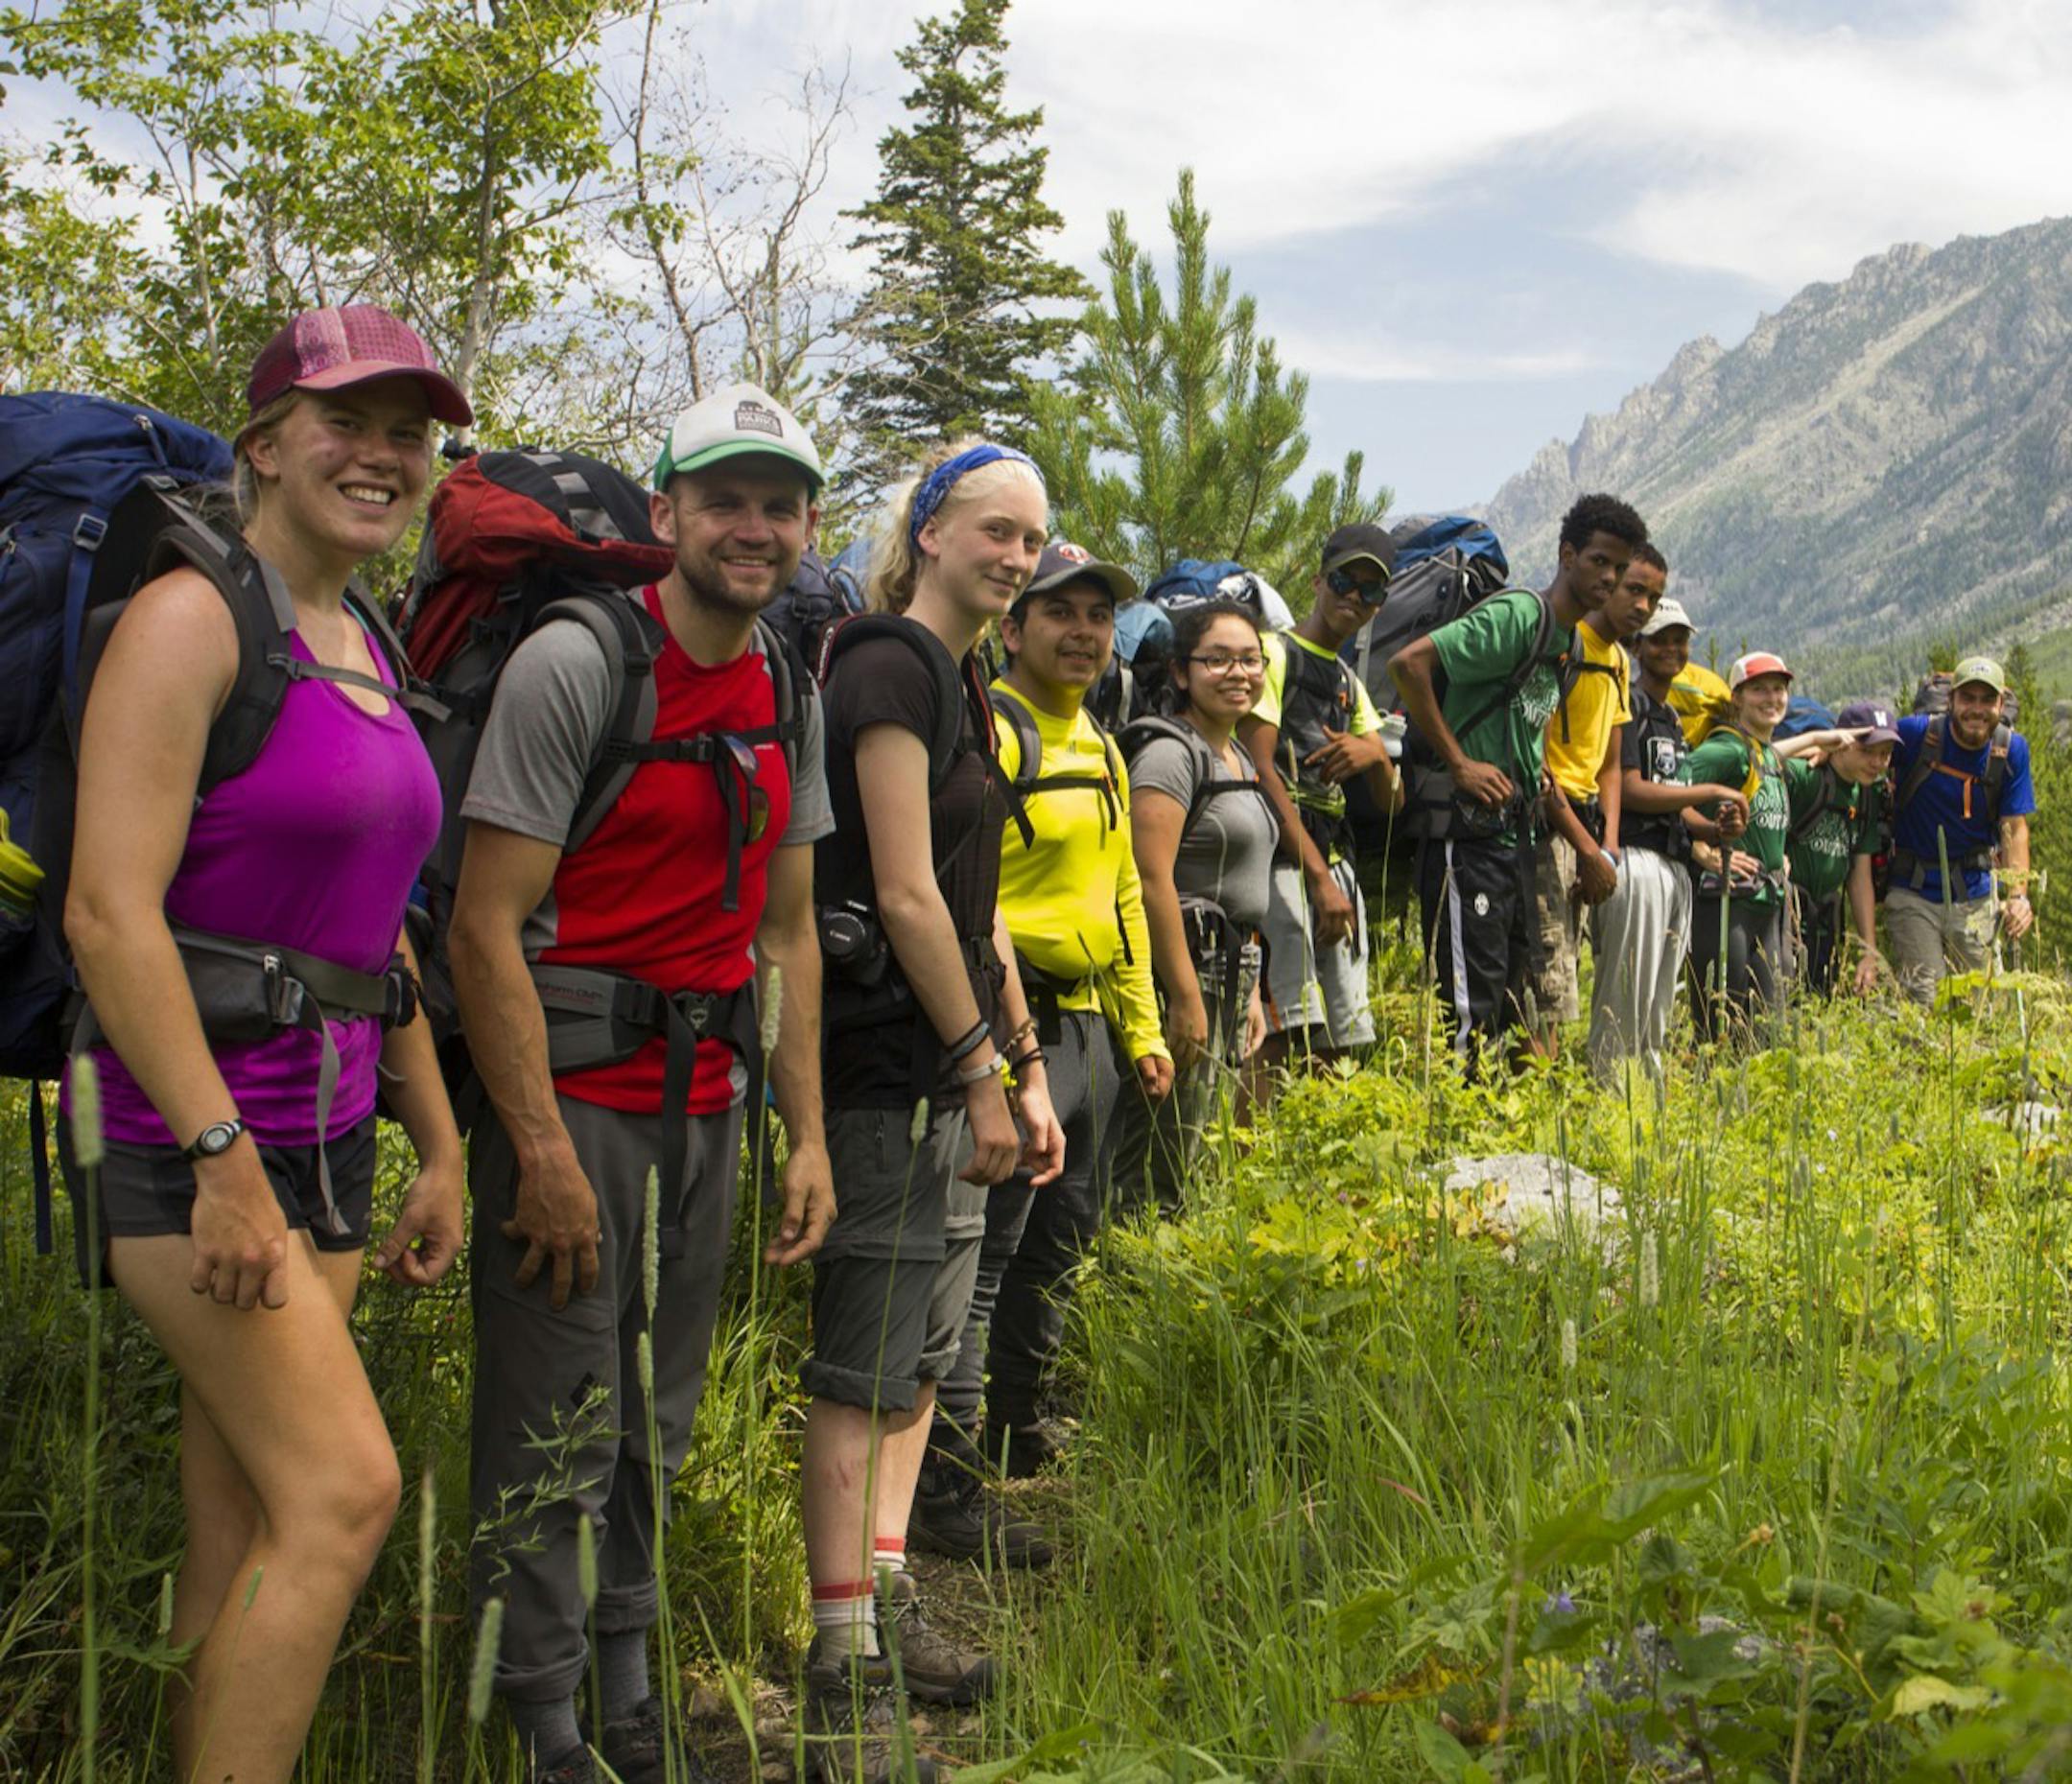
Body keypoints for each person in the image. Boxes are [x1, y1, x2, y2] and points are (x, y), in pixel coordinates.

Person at [59, 305, 467, 1782]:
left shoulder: (360, 639)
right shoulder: (190, 620)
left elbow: (377, 935)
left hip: (329, 1132)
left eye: (409, 431)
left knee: (243, 1529)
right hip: (194, 1139)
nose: (382, 455)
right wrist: (221, 1157)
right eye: (348, 422)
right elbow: (109, 913)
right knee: (349, 1497)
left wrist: (437, 1137)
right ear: (268, 443)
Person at [450, 383, 836, 1783]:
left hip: (712, 1100)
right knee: (557, 1416)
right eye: (724, 499)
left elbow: (784, 929)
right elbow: (483, 925)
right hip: (578, 1100)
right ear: (665, 514)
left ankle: (631, 1691)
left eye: (779, 503)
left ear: (807, 527)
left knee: (656, 1416)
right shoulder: (580, 662)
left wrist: (802, 1132)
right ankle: (541, 1719)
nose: (753, 526)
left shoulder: (787, 683)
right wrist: (537, 1149)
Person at [801, 439, 1064, 1781]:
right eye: (996, 531)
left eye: (1033, 539)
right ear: (931, 529)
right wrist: (976, 1066)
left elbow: (979, 908)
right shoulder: (888, 663)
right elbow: (901, 893)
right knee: (864, 1361)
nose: (1016, 557)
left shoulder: (963, 678)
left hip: (955, 1066)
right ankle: (838, 1643)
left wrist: (1023, 1066)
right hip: (884, 1071)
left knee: (918, 1356)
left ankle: (887, 1602)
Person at [915, 542, 1172, 1560]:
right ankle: (955, 1478)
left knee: (1057, 1246)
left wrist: (1142, 1028)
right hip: (1014, 1031)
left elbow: (1120, 896)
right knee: (982, 1261)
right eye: (1057, 613)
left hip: (1090, 1036)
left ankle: (1020, 1437)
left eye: (1098, 617)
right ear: (1010, 630)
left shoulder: (1105, 747)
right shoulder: (999, 736)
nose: (1082, 632)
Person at [1390, 493, 1642, 1064]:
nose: (1610, 576)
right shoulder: (1519, 617)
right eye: (1600, 561)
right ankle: (1455, 1140)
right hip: (1465, 839)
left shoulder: (1569, 643)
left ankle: (1498, 1143)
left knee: (1509, 1005)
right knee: (1470, 1010)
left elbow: (1533, 757)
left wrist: (1587, 848)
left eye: (1620, 568)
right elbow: (1408, 665)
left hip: (1513, 843)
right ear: (1567, 554)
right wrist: (1460, 762)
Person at [1111, 599, 1279, 1213]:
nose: (1239, 673)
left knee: (1195, 1141)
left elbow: (1242, 885)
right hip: (1184, 970)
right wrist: (1183, 996)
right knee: (1160, 1144)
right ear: (1181, 673)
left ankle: (1166, 1263)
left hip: (1230, 970)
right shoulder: (1171, 754)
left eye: (1250, 660)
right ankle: (1134, 1271)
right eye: (1218, 660)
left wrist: (1254, 995)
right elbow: (1148, 875)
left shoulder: (1235, 754)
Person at [1241, 524, 1402, 1072]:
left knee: (1338, 1036)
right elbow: (1262, 768)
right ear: (1317, 581)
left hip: (1332, 865)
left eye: (1370, 591)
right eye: (1343, 581)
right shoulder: (1272, 654)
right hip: (1285, 866)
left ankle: (1318, 1151)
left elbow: (1390, 802)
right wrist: (1317, 878)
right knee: (1278, 1030)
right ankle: (1252, 1156)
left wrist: (1376, 757)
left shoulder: (1346, 682)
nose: (1354, 598)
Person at [1585, 591, 1749, 1080]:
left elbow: (1677, 806)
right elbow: (1630, 790)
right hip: (1635, 861)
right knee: (1625, 994)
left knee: (1657, 999)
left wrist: (1715, 826)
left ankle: (1646, 1098)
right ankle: (1611, 1093)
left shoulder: (1672, 719)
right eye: (1660, 640)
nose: (1672, 649)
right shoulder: (1628, 704)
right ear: (1638, 646)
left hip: (1674, 865)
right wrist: (1714, 787)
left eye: (1680, 641)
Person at [1530, 534, 1657, 1053]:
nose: (1641, 606)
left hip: (1583, 833)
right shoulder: (1563, 640)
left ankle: (1536, 1096)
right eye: (1633, 589)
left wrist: (1606, 846)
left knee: (1562, 972)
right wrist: (1585, 846)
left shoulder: (1620, 662)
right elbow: (1532, 757)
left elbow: (1609, 761)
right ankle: (1529, 1108)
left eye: (1652, 596)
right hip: (1547, 829)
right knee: (1546, 981)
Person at [1883, 656, 2036, 1003]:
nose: (1977, 709)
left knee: (1984, 1006)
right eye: (1968, 699)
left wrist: (2018, 896)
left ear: (2000, 704)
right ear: (1951, 701)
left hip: (1977, 894)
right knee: (1926, 1000)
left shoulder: (2011, 750)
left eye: (1987, 700)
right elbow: (1863, 754)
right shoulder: (1916, 734)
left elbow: (2014, 827)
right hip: (1913, 890)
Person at [1784, 701, 1897, 998]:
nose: (1877, 763)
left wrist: (1869, 951)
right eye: (1867, 751)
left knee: (1818, 1005)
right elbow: (1755, 762)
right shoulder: (1806, 775)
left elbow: (1860, 876)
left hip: (1825, 919)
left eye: (1885, 754)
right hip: (1782, 915)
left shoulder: (1867, 795)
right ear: (1841, 743)